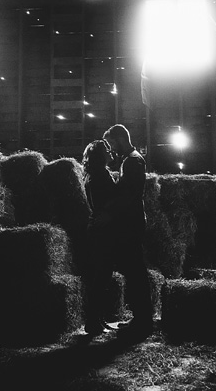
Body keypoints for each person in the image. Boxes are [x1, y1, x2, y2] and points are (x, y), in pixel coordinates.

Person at [102, 124, 154, 340]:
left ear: (121, 139)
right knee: (134, 269)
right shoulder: (130, 159)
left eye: (112, 143)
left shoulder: (132, 160)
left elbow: (130, 195)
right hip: (132, 220)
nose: (111, 148)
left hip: (131, 222)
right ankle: (141, 317)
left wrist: (110, 213)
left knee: (135, 270)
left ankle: (142, 319)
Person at [81, 139, 119, 336]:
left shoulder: (92, 174)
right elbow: (106, 201)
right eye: (106, 149)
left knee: (100, 276)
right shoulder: (101, 174)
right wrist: (109, 211)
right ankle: (93, 322)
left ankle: (97, 319)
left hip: (97, 227)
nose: (110, 151)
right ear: (99, 154)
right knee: (101, 277)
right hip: (102, 229)